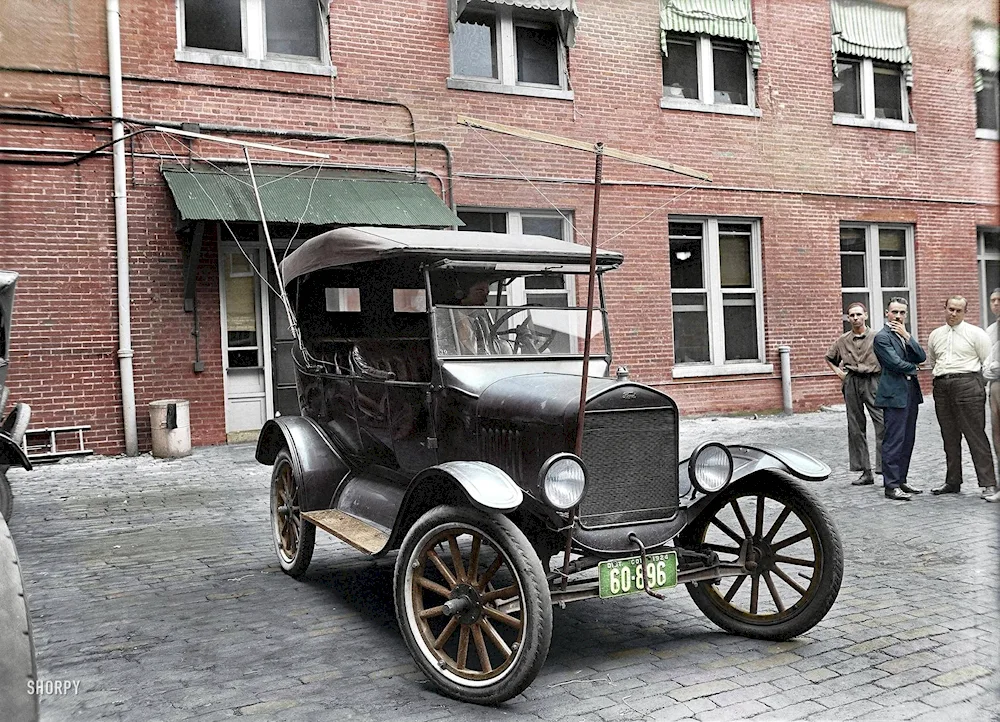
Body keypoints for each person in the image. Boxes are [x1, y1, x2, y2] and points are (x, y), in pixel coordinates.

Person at [926, 295, 997, 497]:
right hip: (942, 386)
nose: (953, 314)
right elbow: (933, 361)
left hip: (968, 385)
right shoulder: (935, 335)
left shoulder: (976, 334)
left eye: (958, 310)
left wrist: (973, 385)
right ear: (945, 308)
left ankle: (988, 483)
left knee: (975, 435)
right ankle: (952, 481)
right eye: (950, 309)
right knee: (949, 437)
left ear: (965, 312)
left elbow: (987, 363)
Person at [825, 302, 884, 486]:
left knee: (883, 423)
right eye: (851, 315)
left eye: (859, 314)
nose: (855, 318)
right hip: (852, 382)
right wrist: (840, 374)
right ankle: (865, 472)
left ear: (865, 315)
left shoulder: (878, 337)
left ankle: (886, 470)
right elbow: (830, 358)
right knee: (856, 426)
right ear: (848, 318)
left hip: (874, 381)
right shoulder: (842, 340)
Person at [872, 297, 926, 501]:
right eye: (895, 312)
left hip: (910, 393)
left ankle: (901, 479)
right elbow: (893, 363)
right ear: (887, 313)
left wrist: (908, 337)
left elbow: (921, 356)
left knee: (907, 439)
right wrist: (914, 369)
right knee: (894, 440)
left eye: (902, 312)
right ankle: (891, 485)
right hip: (893, 394)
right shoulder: (882, 337)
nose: (898, 316)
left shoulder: (903, 335)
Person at [984, 289, 1000, 503]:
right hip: (995, 387)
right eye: (993, 300)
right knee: (998, 437)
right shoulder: (990, 330)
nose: (996, 304)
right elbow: (986, 360)